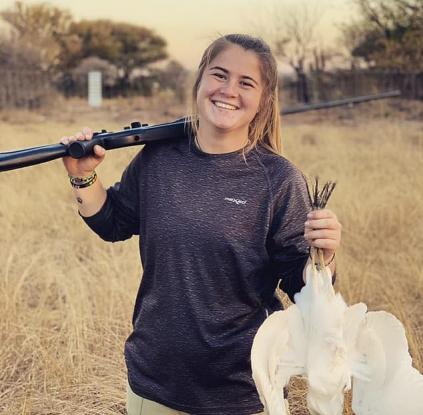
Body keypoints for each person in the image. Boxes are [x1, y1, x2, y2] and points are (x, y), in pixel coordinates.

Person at [60, 34, 341, 415]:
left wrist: (323, 258)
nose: (229, 91)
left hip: (243, 392)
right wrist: (83, 177)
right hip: (154, 383)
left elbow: (301, 287)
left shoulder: (278, 178)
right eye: (219, 75)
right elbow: (114, 222)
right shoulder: (158, 158)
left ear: (264, 100)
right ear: (200, 81)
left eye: (246, 83)